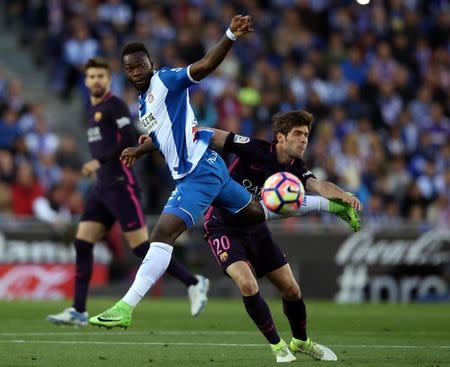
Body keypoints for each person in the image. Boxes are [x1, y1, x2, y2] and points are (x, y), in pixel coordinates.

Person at [89, 17, 359, 357]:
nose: (137, 71)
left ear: (151, 65)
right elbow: (165, 135)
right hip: (213, 169)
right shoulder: (144, 104)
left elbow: (203, 67)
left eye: (141, 65)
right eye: (131, 68)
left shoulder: (166, 80)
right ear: (126, 73)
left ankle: (126, 307)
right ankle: (330, 207)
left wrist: (230, 35)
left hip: (198, 173)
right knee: (256, 212)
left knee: (161, 236)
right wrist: (140, 149)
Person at [47, 58, 209, 327]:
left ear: (108, 80)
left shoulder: (116, 106)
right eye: (92, 76)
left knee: (142, 248)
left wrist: (98, 162)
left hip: (121, 185)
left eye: (101, 75)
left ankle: (193, 281)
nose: (96, 80)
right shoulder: (91, 109)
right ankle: (78, 309)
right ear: (86, 81)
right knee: (83, 243)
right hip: (102, 187)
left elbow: (127, 140)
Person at [203, 110, 356, 362]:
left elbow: (320, 187)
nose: (304, 140)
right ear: (280, 137)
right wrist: (175, 138)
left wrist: (345, 197)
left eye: (306, 135)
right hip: (223, 225)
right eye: (298, 134)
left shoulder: (297, 168)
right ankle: (278, 347)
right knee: (248, 284)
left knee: (292, 291)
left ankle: (301, 342)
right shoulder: (254, 148)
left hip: (256, 228)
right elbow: (215, 136)